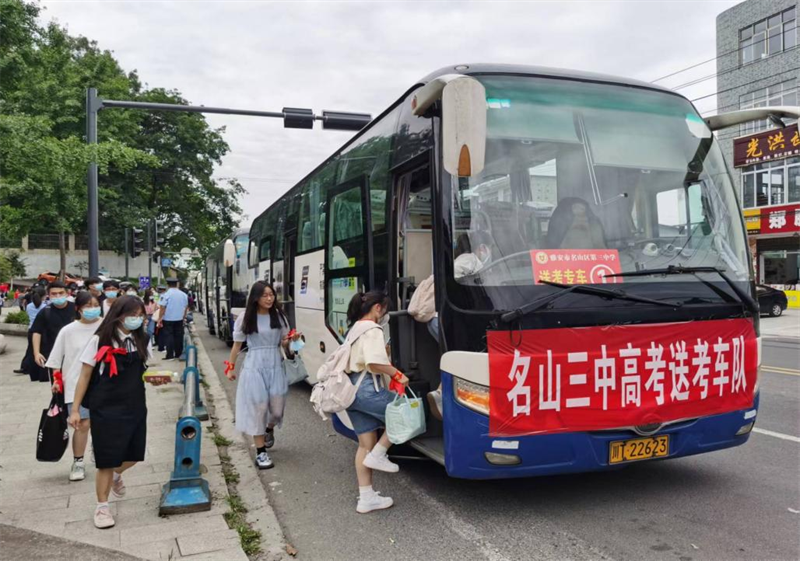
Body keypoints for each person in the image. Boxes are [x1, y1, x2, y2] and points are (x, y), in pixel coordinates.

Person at [70, 295, 165, 529]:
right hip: (105, 406)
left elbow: (143, 372)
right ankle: (102, 507)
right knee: (106, 458)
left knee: (134, 454)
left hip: (134, 404)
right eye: (132, 315)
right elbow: (84, 376)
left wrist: (157, 379)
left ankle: (114, 475)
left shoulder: (143, 339)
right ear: (119, 315)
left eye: (140, 315)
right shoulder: (100, 340)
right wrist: (75, 409)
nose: (137, 319)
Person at [343, 290, 408, 514]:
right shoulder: (372, 329)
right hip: (367, 389)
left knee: (365, 444)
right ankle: (379, 455)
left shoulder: (355, 328)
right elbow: (373, 363)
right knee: (404, 413)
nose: (384, 315)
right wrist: (398, 374)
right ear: (377, 307)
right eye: (384, 310)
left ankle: (366, 498)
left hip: (351, 392)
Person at [224, 281, 300, 469]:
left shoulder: (279, 316)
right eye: (265, 295)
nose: (269, 298)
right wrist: (231, 367)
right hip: (254, 367)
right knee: (258, 409)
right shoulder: (246, 317)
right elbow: (237, 345)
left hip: (275, 365)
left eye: (271, 294)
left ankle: (268, 429)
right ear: (256, 297)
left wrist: (292, 340)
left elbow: (284, 342)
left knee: (277, 411)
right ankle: (261, 452)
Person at [45, 291, 102, 481]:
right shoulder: (68, 331)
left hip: (102, 383)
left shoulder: (106, 326)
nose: (93, 309)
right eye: (88, 306)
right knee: (82, 424)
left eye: (96, 305)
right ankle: (78, 462)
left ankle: (99, 450)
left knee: (101, 421)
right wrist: (57, 379)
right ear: (78, 309)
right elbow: (55, 359)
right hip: (75, 384)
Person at [30, 282, 76, 383]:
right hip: (54, 355)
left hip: (75, 353)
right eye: (54, 294)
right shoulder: (45, 312)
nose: (58, 296)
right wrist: (36, 353)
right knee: (58, 385)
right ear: (49, 295)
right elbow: (36, 332)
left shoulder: (77, 309)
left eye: (61, 293)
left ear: (67, 293)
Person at [157, 278, 188, 361]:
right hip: (179, 318)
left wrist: (159, 318)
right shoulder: (183, 295)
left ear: (168, 285)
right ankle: (178, 354)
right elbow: (185, 307)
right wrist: (184, 316)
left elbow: (162, 308)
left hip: (168, 319)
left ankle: (170, 355)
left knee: (169, 336)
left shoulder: (165, 295)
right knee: (179, 336)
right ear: (177, 284)